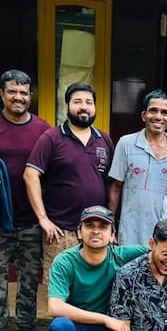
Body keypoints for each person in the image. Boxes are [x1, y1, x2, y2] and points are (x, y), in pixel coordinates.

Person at [0, 69, 50, 331]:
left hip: (30, 220)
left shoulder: (43, 129)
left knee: (29, 278)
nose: (18, 97)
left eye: (24, 93)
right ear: (1, 94)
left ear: (30, 96)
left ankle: (26, 325)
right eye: (12, 91)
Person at [24, 81, 113, 283]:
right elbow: (30, 175)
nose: (84, 107)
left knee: (92, 287)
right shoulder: (52, 138)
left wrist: (110, 224)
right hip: (61, 231)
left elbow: (112, 185)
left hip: (95, 230)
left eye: (89, 102)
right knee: (59, 289)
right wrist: (43, 219)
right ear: (67, 106)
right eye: (77, 101)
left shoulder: (104, 140)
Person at [108, 89, 167, 246]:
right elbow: (116, 188)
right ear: (143, 115)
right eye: (153, 111)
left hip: (165, 237)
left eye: (164, 113)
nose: (158, 116)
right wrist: (110, 226)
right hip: (129, 234)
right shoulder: (126, 144)